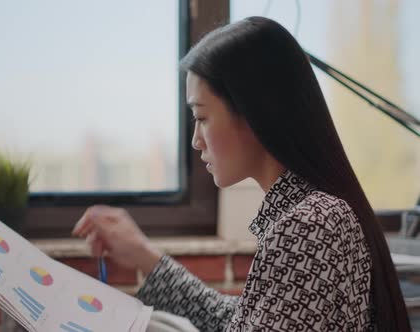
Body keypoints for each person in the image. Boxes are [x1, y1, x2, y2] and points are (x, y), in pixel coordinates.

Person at [72, 16, 410, 332]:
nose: (195, 140)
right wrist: (144, 256)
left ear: (253, 112)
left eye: (202, 117)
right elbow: (241, 320)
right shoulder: (312, 213)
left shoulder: (309, 224)